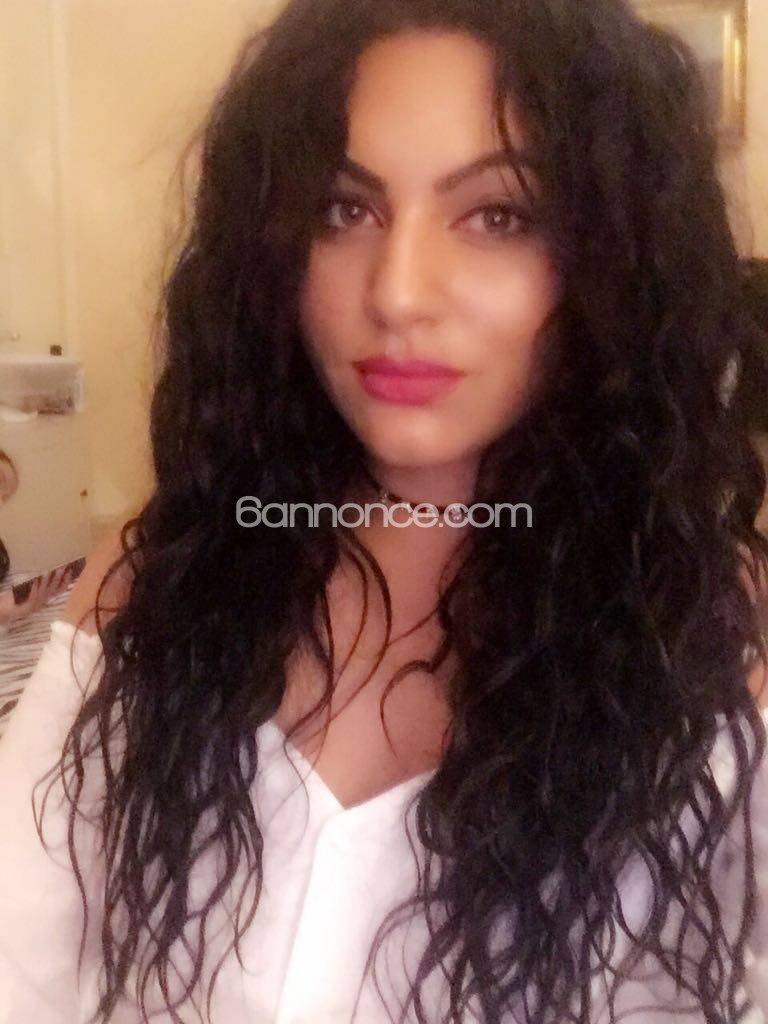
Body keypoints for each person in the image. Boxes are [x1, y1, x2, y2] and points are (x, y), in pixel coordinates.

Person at [1, 0, 767, 1021]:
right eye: (343, 211)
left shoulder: (716, 653)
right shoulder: (162, 579)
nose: (398, 293)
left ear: (615, 261)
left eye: (500, 216)